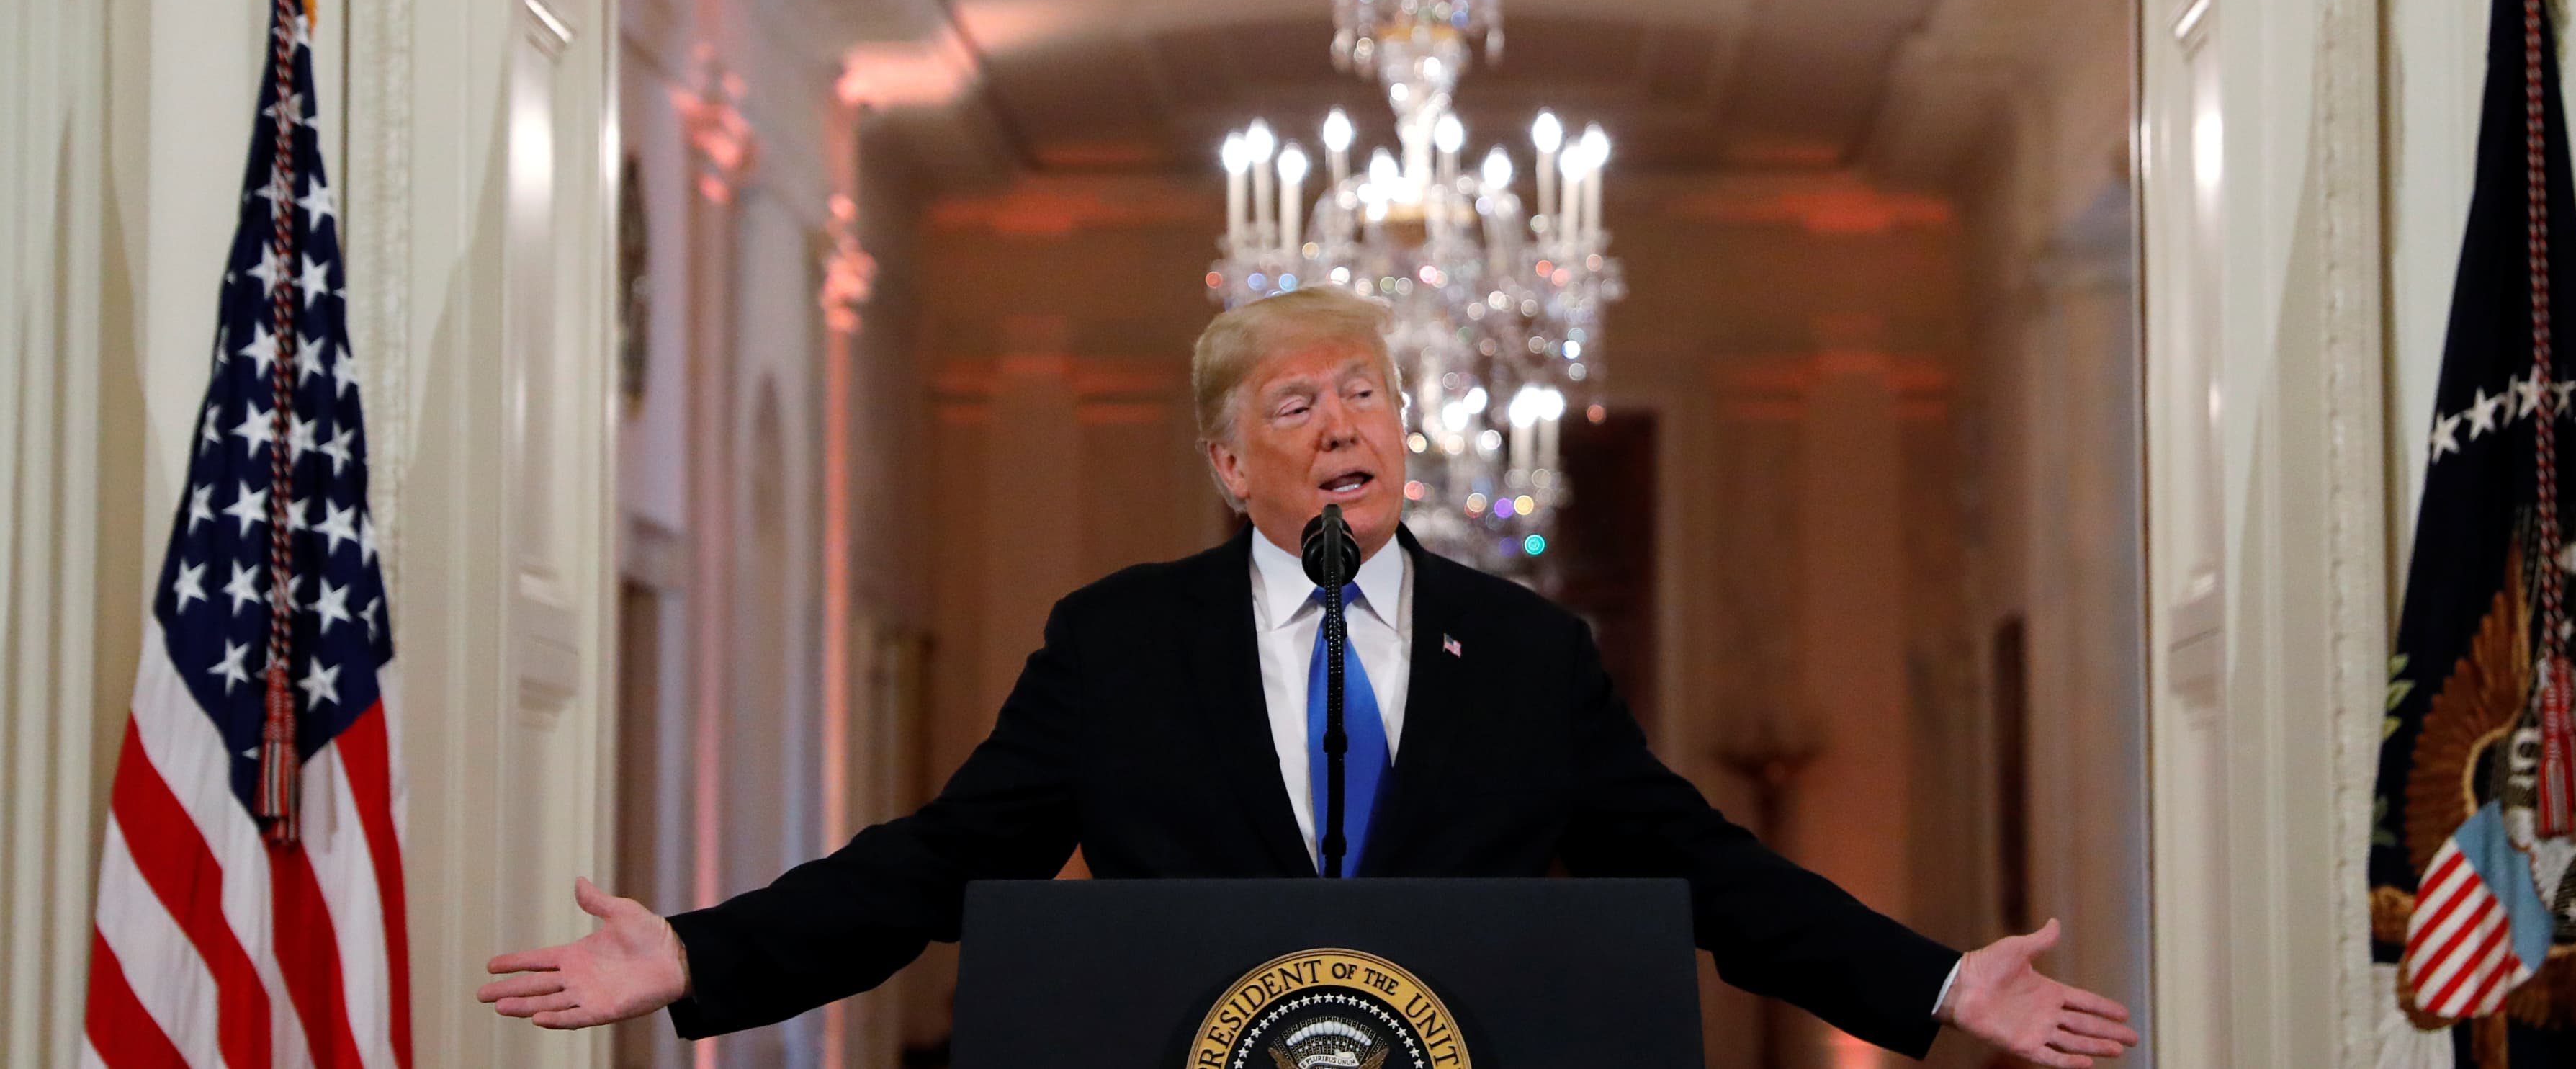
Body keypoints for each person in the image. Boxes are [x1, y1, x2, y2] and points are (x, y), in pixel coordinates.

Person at [481, 287, 2140, 1067]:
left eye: (1366, 394)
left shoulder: (1529, 653)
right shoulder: (1117, 644)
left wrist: (1937, 984)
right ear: (1228, 465)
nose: (1345, 424)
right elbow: (937, 862)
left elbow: (1701, 869)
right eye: (1296, 406)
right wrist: (697, 955)